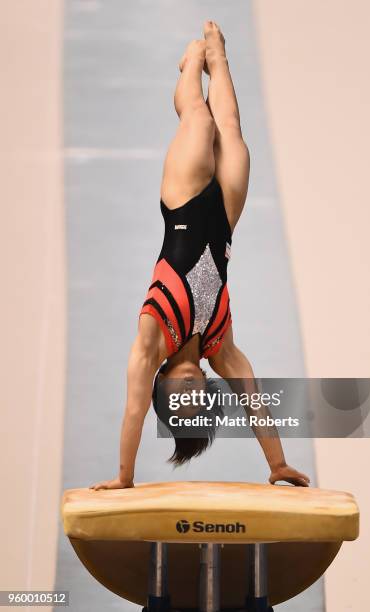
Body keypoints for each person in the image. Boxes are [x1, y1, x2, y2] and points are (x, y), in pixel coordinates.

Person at [90, 21, 310, 491]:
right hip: (225, 217)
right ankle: (219, 56)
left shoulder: (151, 342)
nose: (189, 395)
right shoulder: (220, 347)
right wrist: (277, 464)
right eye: (198, 403)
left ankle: (191, 63)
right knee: (230, 129)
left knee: (200, 120)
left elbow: (132, 408)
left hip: (184, 202)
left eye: (178, 404)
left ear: (161, 393)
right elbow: (252, 398)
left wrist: (125, 476)